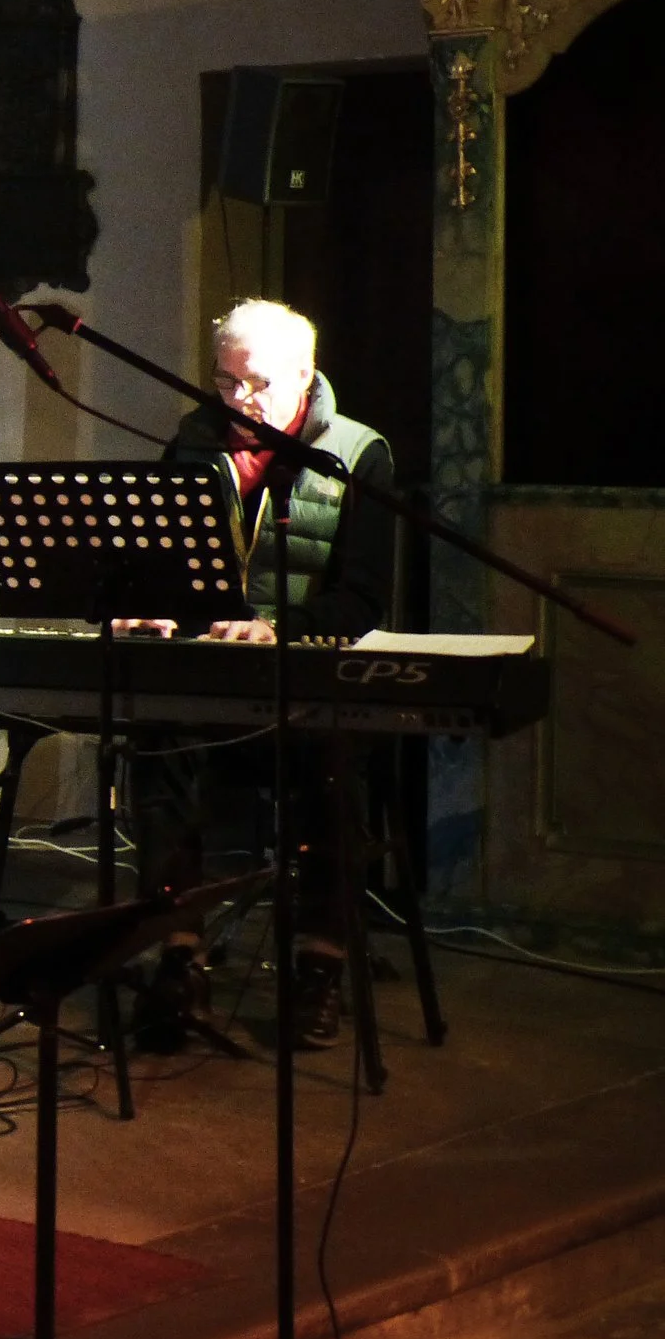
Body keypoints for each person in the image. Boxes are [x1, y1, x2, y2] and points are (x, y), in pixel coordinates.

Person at [126, 298, 395, 1050]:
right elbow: (157, 567)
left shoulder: (357, 452)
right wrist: (149, 610)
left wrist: (281, 628)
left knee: (333, 759)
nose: (239, 402)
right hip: (211, 687)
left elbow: (365, 596)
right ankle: (180, 959)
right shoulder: (192, 445)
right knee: (156, 747)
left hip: (304, 684)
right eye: (225, 382)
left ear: (305, 377)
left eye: (258, 385)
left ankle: (319, 965)